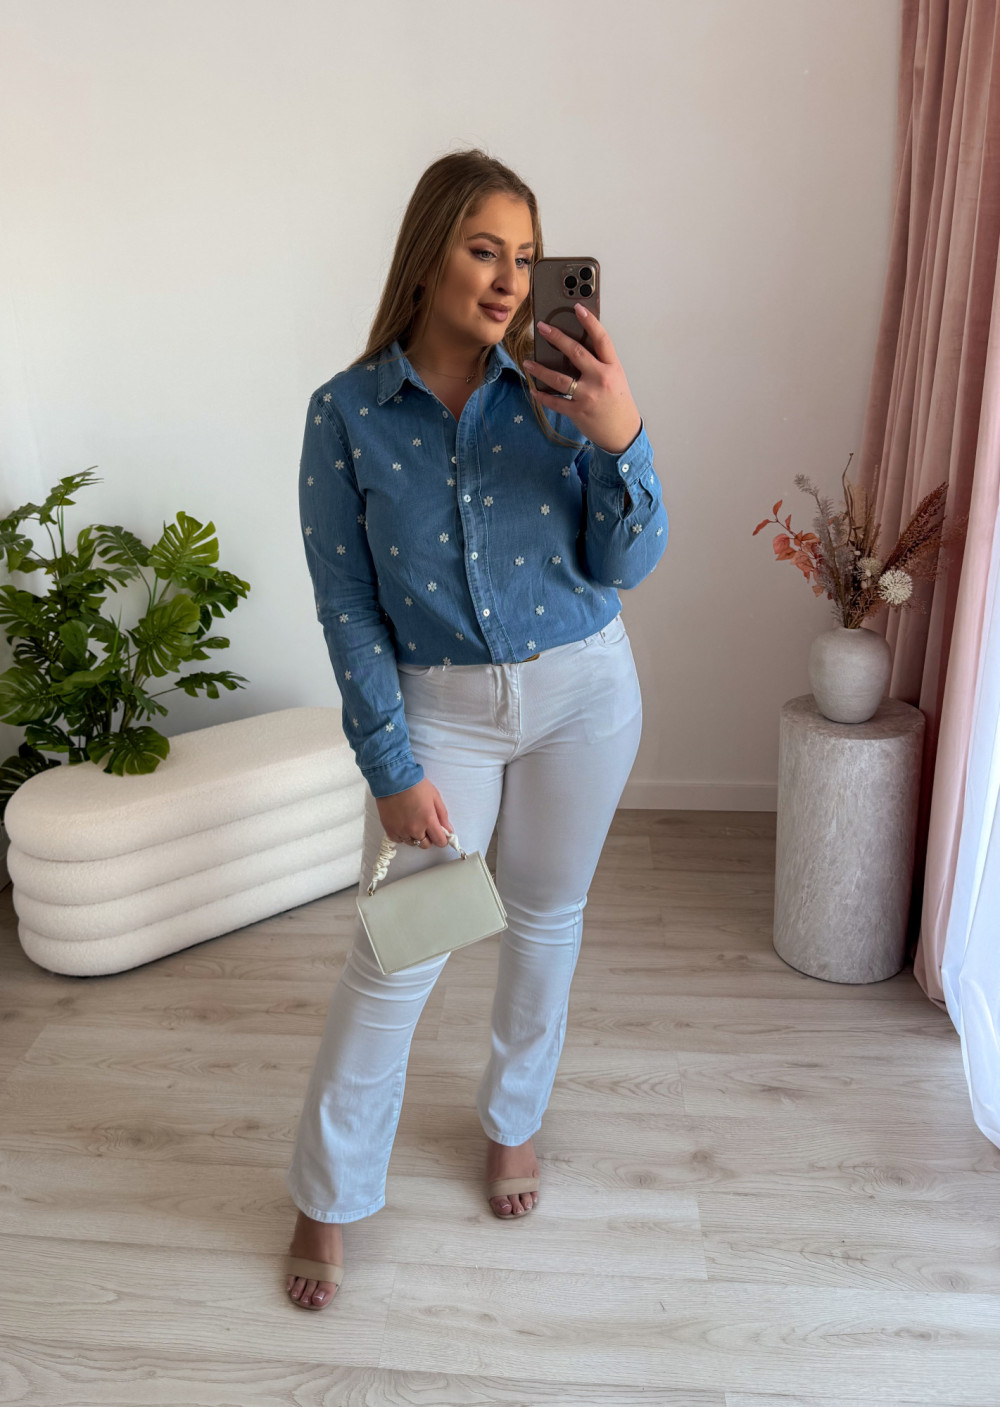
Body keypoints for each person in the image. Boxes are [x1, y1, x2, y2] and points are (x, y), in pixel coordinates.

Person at [284, 148, 668, 1310]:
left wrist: (621, 437)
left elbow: (625, 562)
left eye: (526, 256)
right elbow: (347, 607)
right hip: (440, 710)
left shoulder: (560, 394)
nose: (509, 280)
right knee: (397, 952)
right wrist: (389, 765)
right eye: (483, 250)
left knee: (545, 919)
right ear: (426, 256)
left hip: (583, 694)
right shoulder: (347, 414)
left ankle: (513, 1122)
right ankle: (328, 1193)